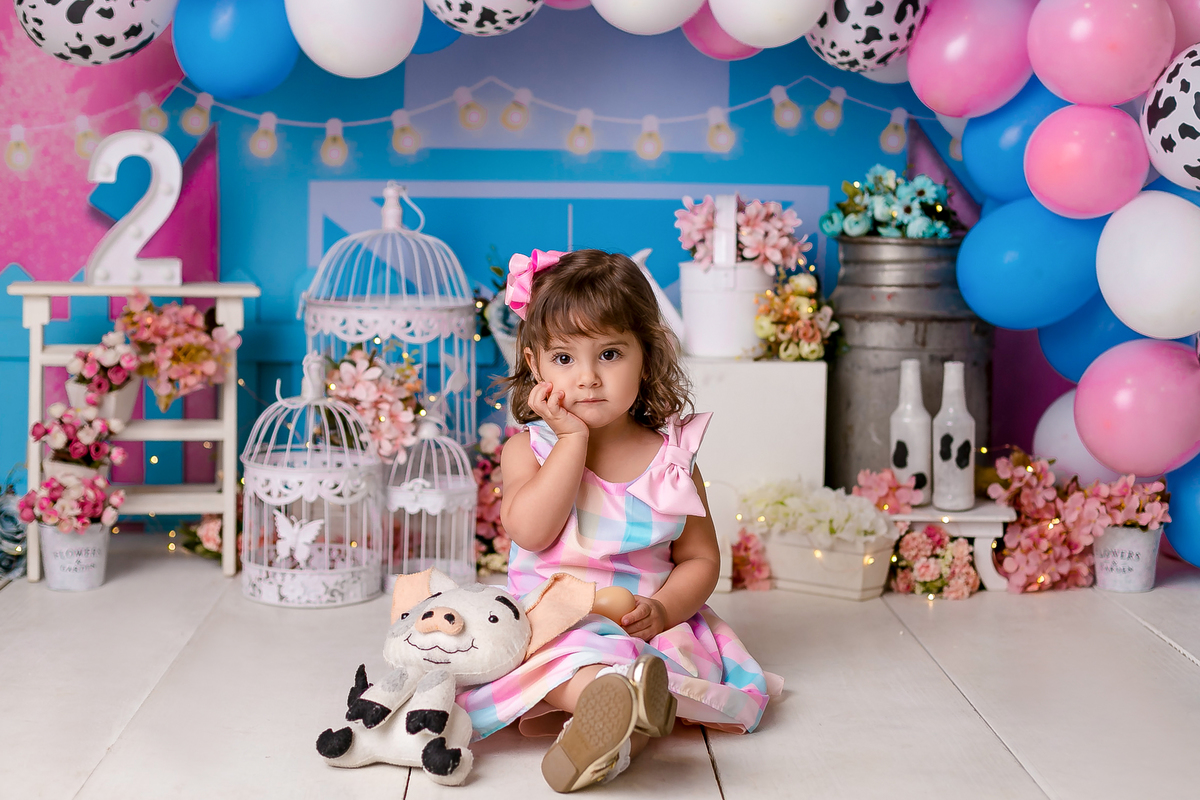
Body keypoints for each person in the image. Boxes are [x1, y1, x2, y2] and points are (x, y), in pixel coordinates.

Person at [458, 249, 781, 793]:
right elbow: (532, 532)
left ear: (647, 357)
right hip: (554, 625)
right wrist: (571, 440)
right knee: (564, 662)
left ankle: (611, 738)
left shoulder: (671, 461)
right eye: (564, 358)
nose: (587, 378)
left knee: (657, 676)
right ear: (535, 364)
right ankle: (606, 704)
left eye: (609, 354)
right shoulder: (527, 451)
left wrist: (665, 609)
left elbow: (701, 559)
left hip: (644, 627)